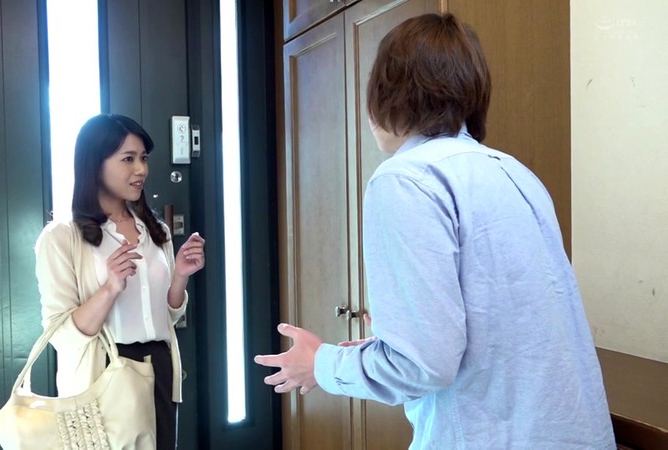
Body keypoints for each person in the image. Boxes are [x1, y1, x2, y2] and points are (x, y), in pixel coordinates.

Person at [254, 13, 615, 449]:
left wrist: (320, 364)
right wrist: (405, 332)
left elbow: (423, 365)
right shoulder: (515, 173)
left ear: (384, 97)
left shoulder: (405, 178)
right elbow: (505, 323)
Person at [35, 113, 205, 450]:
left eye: (144, 158)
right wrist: (110, 287)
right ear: (94, 164)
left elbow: (165, 316)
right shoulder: (62, 237)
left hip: (159, 367)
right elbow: (60, 335)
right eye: (128, 159)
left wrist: (180, 277)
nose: (140, 169)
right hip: (101, 374)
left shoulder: (156, 231)